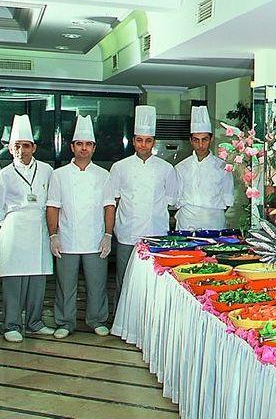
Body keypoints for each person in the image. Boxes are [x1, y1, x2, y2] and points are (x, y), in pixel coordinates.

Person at [46, 115, 115, 339]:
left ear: (94, 148)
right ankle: (65, 322)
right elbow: (53, 207)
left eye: (88, 144)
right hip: (67, 239)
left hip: (95, 239)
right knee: (65, 285)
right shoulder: (59, 175)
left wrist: (108, 235)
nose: (83, 148)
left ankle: (97, 320)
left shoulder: (104, 175)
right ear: (72, 147)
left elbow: (109, 207)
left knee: (97, 284)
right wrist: (53, 235)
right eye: (79, 144)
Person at [109, 106, 177, 307]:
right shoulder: (119, 167)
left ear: (153, 143)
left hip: (155, 234)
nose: (143, 145)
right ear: (133, 141)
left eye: (148, 141)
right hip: (127, 233)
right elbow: (114, 200)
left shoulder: (166, 169)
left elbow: (171, 201)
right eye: (139, 140)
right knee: (124, 279)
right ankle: (120, 317)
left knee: (153, 281)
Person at [0, 115, 55, 342]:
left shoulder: (47, 170)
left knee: (37, 278)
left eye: (26, 145)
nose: (21, 150)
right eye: (17, 146)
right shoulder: (4, 174)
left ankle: (34, 323)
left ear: (34, 147)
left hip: (39, 228)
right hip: (14, 229)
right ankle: (11, 325)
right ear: (10, 148)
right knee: (13, 278)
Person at [175, 106, 234, 231]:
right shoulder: (180, 168)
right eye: (196, 140)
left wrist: (211, 212)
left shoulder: (223, 167)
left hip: (214, 222)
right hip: (187, 222)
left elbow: (228, 198)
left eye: (204, 140)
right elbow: (176, 199)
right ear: (190, 141)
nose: (200, 145)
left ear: (211, 139)